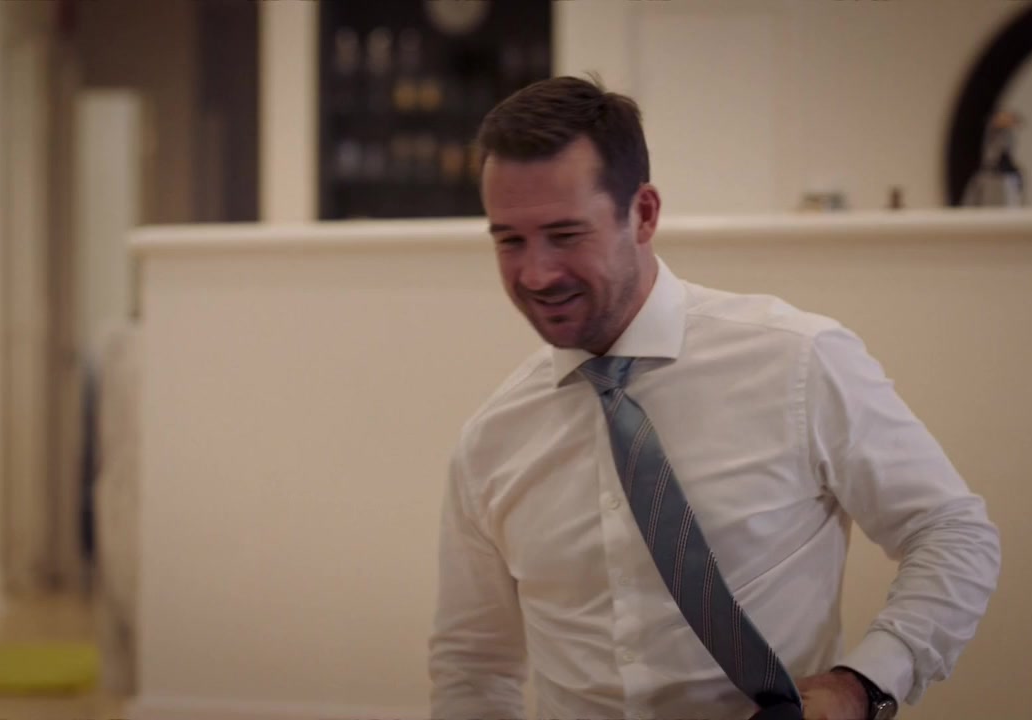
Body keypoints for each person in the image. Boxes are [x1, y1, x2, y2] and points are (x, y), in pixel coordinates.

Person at [427, 75, 1000, 720]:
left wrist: (863, 684)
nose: (536, 273)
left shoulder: (798, 361)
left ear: (644, 214)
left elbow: (953, 532)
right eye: (510, 240)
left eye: (565, 235)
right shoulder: (492, 439)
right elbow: (473, 665)